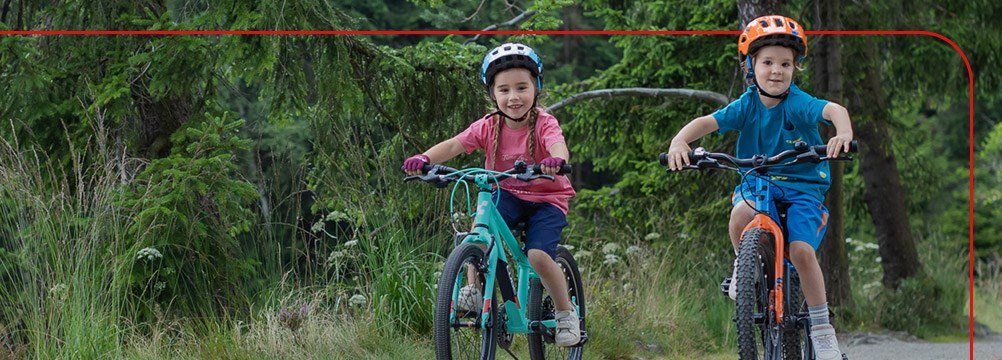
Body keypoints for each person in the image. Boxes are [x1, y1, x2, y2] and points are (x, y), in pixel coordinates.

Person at [663, 15, 852, 360]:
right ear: (751, 66)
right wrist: (680, 142)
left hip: (802, 187)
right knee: (740, 213)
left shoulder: (798, 102)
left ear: (795, 69)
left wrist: (842, 134)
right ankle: (745, 267)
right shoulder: (747, 104)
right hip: (758, 182)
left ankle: (823, 329)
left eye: (785, 64)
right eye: (767, 62)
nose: (776, 71)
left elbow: (833, 110)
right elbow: (708, 122)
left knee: (801, 251)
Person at [402, 42, 580, 347]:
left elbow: (557, 145)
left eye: (522, 88)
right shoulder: (489, 126)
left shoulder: (544, 122)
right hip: (509, 193)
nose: (513, 97)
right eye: (504, 90)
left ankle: (566, 311)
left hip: (546, 200)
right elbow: (455, 145)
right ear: (493, 95)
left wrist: (556, 161)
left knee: (537, 256)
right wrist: (425, 159)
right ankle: (474, 288)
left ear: (536, 88)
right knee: (479, 234)